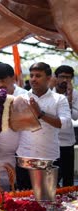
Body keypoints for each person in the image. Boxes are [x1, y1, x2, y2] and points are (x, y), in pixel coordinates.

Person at [16, 62, 72, 190]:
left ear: (48, 78)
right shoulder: (21, 99)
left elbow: (65, 124)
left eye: (38, 76)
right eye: (31, 75)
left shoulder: (59, 99)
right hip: (24, 156)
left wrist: (40, 114)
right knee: (23, 201)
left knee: (47, 199)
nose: (33, 79)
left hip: (48, 157)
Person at [0, 63, 28, 190]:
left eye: (3, 80)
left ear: (13, 78)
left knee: (19, 191)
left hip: (19, 154)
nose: (0, 84)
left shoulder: (24, 96)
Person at [53, 65, 78, 187]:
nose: (64, 80)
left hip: (67, 141)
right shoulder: (49, 93)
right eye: (62, 77)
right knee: (53, 178)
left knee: (68, 179)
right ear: (55, 78)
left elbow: (74, 117)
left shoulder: (76, 94)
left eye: (68, 78)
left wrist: (69, 98)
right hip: (51, 141)